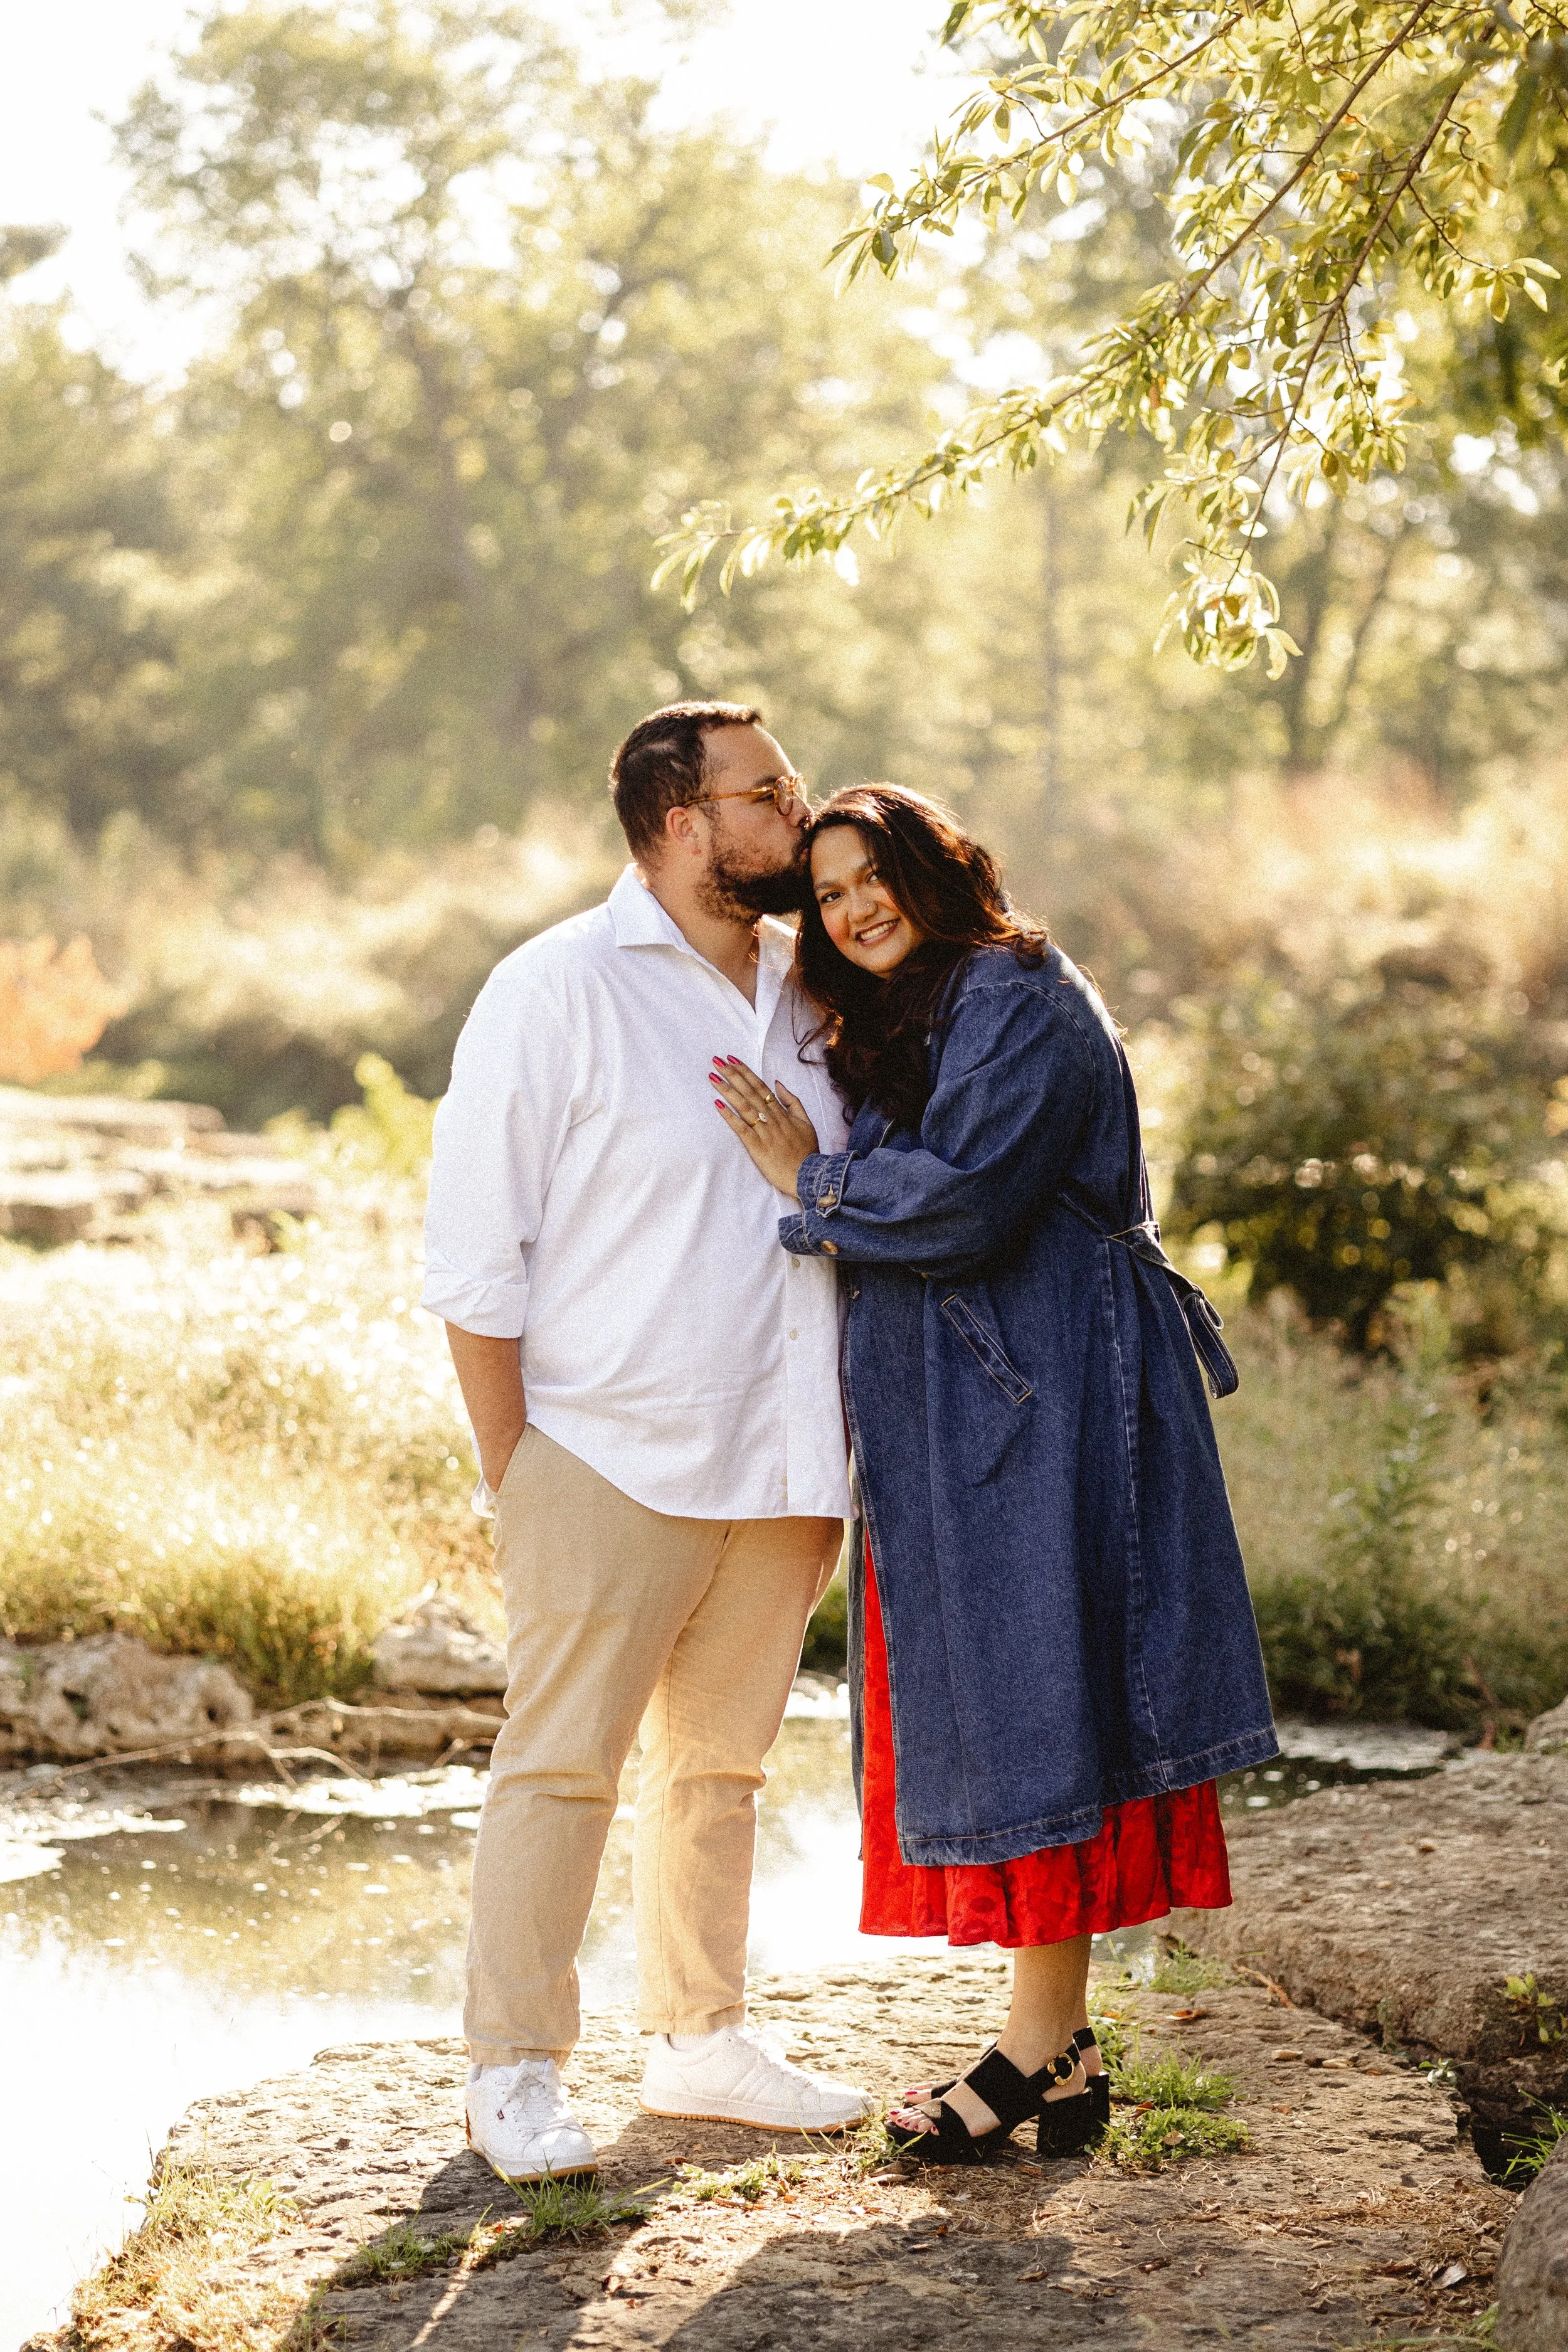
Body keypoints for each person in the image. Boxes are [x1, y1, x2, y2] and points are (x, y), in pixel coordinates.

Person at [711, 783, 1278, 2166]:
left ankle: (1033, 2048)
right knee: (1017, 1697)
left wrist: (813, 1182)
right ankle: (1063, 2050)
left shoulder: (1016, 990)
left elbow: (963, 1202)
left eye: (868, 876)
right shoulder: (922, 1010)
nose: (850, 909)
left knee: (1042, 1695)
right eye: (827, 896)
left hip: (1056, 1398)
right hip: (974, 1413)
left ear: (933, 864)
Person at [422, 702, 871, 2183]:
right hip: (608, 1454)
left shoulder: (817, 993)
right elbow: (476, 1260)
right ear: (683, 825)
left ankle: (698, 2039)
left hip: (787, 1453)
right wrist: (520, 1471)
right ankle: (515, 2069)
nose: (795, 816)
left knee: (723, 1772)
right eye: (766, 792)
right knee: (562, 1769)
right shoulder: (552, 990)